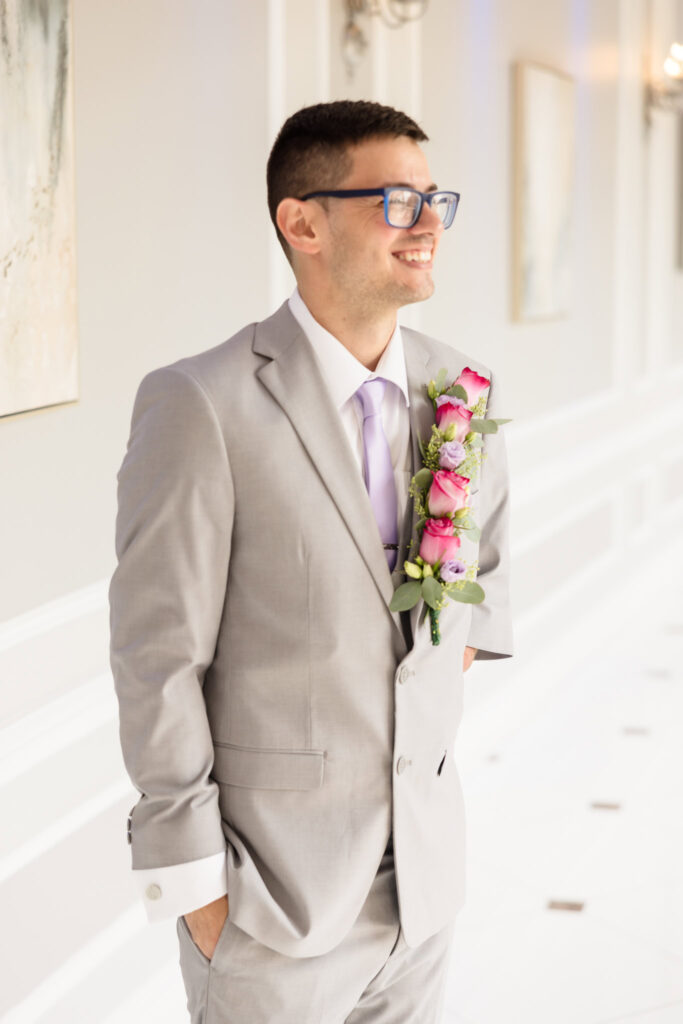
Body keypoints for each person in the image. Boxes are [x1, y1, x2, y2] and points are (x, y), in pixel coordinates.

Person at [109, 99, 513, 1024]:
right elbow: (156, 655)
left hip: (423, 887)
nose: (427, 228)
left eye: (433, 201)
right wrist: (197, 892)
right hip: (270, 902)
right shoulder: (199, 404)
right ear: (303, 222)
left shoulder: (460, 388)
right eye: (396, 202)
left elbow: (477, 590)